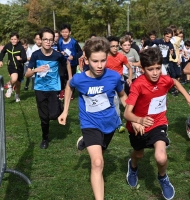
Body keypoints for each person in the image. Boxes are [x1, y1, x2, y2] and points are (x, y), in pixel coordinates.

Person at [124, 47, 190, 200]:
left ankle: (163, 177)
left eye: (158, 68)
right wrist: (138, 120)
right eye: (150, 69)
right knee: (138, 154)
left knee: (161, 157)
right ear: (142, 69)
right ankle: (132, 167)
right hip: (138, 126)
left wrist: (189, 99)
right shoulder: (137, 85)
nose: (155, 73)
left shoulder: (164, 80)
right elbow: (126, 113)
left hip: (158, 123)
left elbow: (174, 82)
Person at [58, 37, 127, 200]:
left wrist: (132, 113)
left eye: (103, 60)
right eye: (95, 61)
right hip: (89, 123)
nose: (100, 65)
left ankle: (85, 142)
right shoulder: (80, 79)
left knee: (100, 154)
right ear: (86, 60)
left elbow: (123, 95)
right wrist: (65, 111)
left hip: (109, 123)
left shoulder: (114, 77)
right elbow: (69, 86)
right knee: (97, 163)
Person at [25, 27, 71, 149]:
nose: (48, 42)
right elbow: (27, 74)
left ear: (53, 41)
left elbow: (66, 63)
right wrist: (36, 70)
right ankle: (45, 138)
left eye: (50, 40)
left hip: (53, 88)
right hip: (40, 88)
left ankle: (59, 107)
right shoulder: (35, 55)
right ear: (41, 40)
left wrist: (70, 78)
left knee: (53, 115)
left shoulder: (57, 55)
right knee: (44, 117)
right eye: (45, 39)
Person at [106, 36, 132, 133]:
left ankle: (131, 116)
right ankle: (119, 123)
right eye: (113, 46)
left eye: (117, 46)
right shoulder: (104, 57)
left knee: (121, 101)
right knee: (115, 101)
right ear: (108, 46)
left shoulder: (121, 57)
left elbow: (129, 68)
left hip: (120, 80)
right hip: (108, 81)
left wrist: (129, 78)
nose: (115, 48)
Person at [0, 32, 27, 102]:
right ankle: (10, 88)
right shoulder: (8, 46)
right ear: (10, 39)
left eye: (15, 39)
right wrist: (0, 61)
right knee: (14, 78)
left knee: (18, 84)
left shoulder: (21, 48)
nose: (13, 41)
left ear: (18, 40)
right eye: (12, 39)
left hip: (20, 67)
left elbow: (25, 58)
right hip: (11, 66)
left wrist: (20, 59)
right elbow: (2, 52)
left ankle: (16, 95)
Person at [57, 23, 83, 100]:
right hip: (63, 62)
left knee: (70, 78)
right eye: (63, 32)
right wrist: (60, 53)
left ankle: (70, 93)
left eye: (66, 32)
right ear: (61, 33)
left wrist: (73, 57)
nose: (64, 34)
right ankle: (62, 91)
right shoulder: (60, 41)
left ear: (70, 32)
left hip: (72, 63)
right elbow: (58, 50)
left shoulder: (74, 42)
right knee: (61, 76)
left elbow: (80, 52)